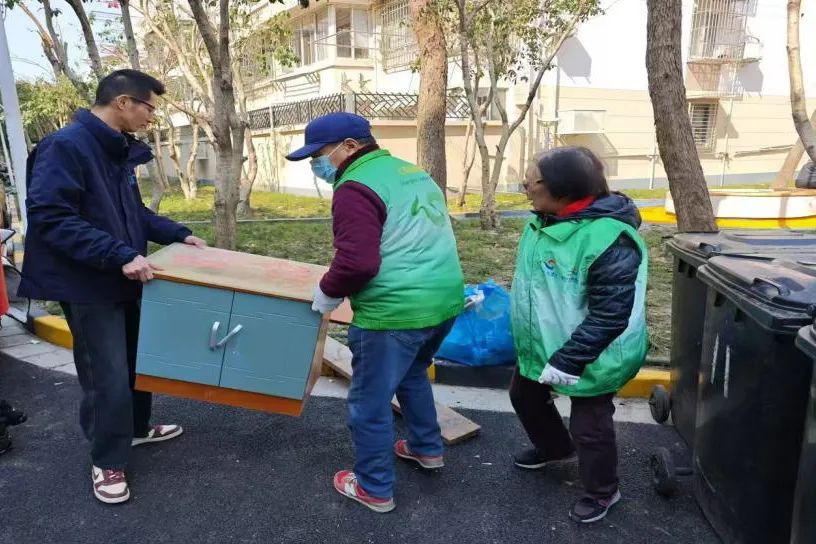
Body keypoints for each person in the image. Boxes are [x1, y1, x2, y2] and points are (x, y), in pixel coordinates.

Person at [19, 69, 207, 504]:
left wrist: (178, 234)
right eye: (149, 108)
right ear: (123, 102)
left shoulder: (115, 149)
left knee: (139, 361)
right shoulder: (66, 146)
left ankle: (136, 429)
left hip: (124, 274)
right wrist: (118, 254)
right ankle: (107, 459)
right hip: (88, 282)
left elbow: (133, 213)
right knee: (107, 376)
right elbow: (51, 216)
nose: (151, 118)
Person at [285, 112, 464, 513]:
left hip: (394, 313)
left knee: (369, 402)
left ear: (350, 146)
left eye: (319, 155)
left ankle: (374, 487)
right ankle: (426, 448)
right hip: (444, 300)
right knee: (413, 373)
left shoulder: (354, 186)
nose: (317, 164)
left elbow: (357, 263)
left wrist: (327, 293)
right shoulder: (409, 172)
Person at [509, 146, 648, 523]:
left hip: (596, 351)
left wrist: (570, 360)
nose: (525, 187)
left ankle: (603, 491)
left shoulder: (608, 239)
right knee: (525, 396)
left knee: (590, 425)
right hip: (546, 342)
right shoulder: (546, 221)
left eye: (531, 180)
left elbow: (610, 314)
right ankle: (555, 448)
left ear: (562, 188)